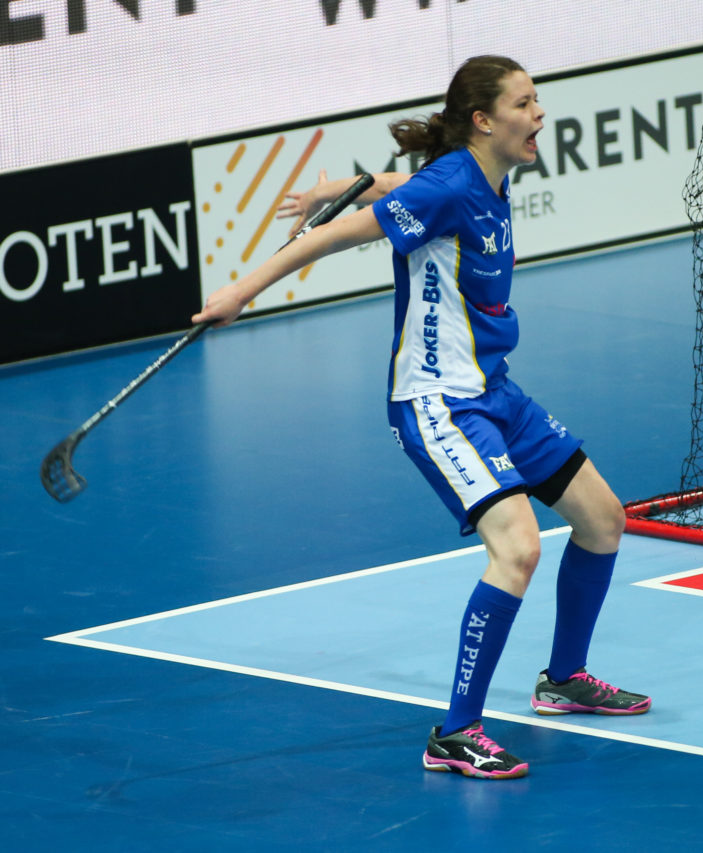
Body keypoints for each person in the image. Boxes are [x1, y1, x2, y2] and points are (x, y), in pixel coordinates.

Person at [193, 55, 650, 780]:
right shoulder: (452, 184)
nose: (540, 115)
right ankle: (456, 732)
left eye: (538, 101)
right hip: (438, 400)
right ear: (483, 119)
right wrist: (240, 292)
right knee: (518, 548)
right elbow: (336, 235)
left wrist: (348, 183)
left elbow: (412, 187)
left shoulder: (479, 178)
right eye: (525, 104)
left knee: (602, 517)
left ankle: (563, 679)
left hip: (495, 391)